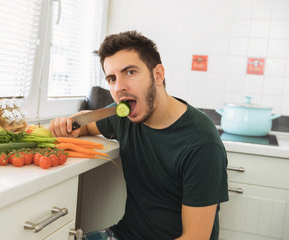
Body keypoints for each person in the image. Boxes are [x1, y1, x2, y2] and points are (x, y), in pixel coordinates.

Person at [49, 30, 228, 240]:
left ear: (158, 75)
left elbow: (196, 237)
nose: (119, 87)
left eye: (130, 72)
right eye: (112, 78)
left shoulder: (201, 142)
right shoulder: (124, 115)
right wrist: (70, 125)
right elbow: (87, 125)